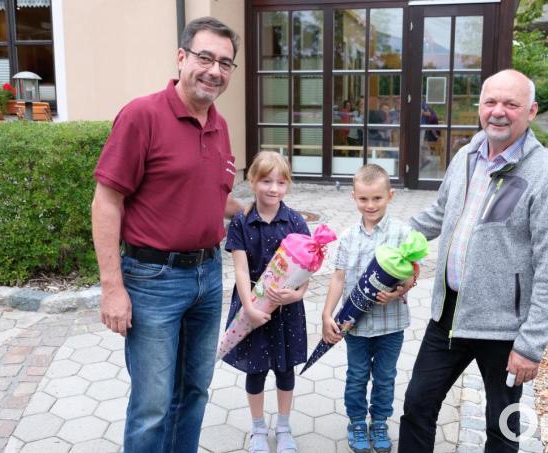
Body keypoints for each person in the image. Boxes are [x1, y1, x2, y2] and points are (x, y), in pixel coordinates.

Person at [398, 69, 548, 453]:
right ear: (479, 107)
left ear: (531, 112)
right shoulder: (466, 155)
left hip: (504, 331)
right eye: (491, 102)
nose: (499, 111)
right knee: (417, 407)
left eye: (511, 104)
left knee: (501, 428)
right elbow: (439, 214)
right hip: (448, 316)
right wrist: (393, 237)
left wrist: (530, 346)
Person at [90, 17, 243, 453]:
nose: (215, 70)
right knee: (153, 404)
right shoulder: (143, 115)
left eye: (225, 63)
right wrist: (112, 288)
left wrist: (255, 213)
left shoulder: (220, 124)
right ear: (181, 58)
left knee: (194, 391)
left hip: (208, 277)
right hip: (153, 281)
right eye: (205, 57)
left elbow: (209, 195)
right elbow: (106, 202)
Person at [320, 164, 416, 453]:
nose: (370, 205)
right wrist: (326, 314)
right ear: (354, 197)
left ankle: (380, 422)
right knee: (357, 374)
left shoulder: (402, 233)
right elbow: (339, 277)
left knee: (386, 376)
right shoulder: (348, 236)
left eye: (376, 198)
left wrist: (401, 289)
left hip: (391, 324)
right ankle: (357, 422)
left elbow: (412, 274)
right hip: (356, 326)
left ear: (390, 195)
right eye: (364, 199)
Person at [223, 151, 310, 453]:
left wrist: (296, 294)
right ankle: (258, 428)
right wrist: (248, 306)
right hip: (253, 307)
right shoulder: (241, 222)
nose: (274, 188)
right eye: (266, 181)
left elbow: (307, 268)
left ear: (288, 185)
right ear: (252, 181)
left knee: (285, 371)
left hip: (287, 311)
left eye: (281, 182)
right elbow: (240, 269)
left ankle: (283, 427)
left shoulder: (296, 220)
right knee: (256, 370)